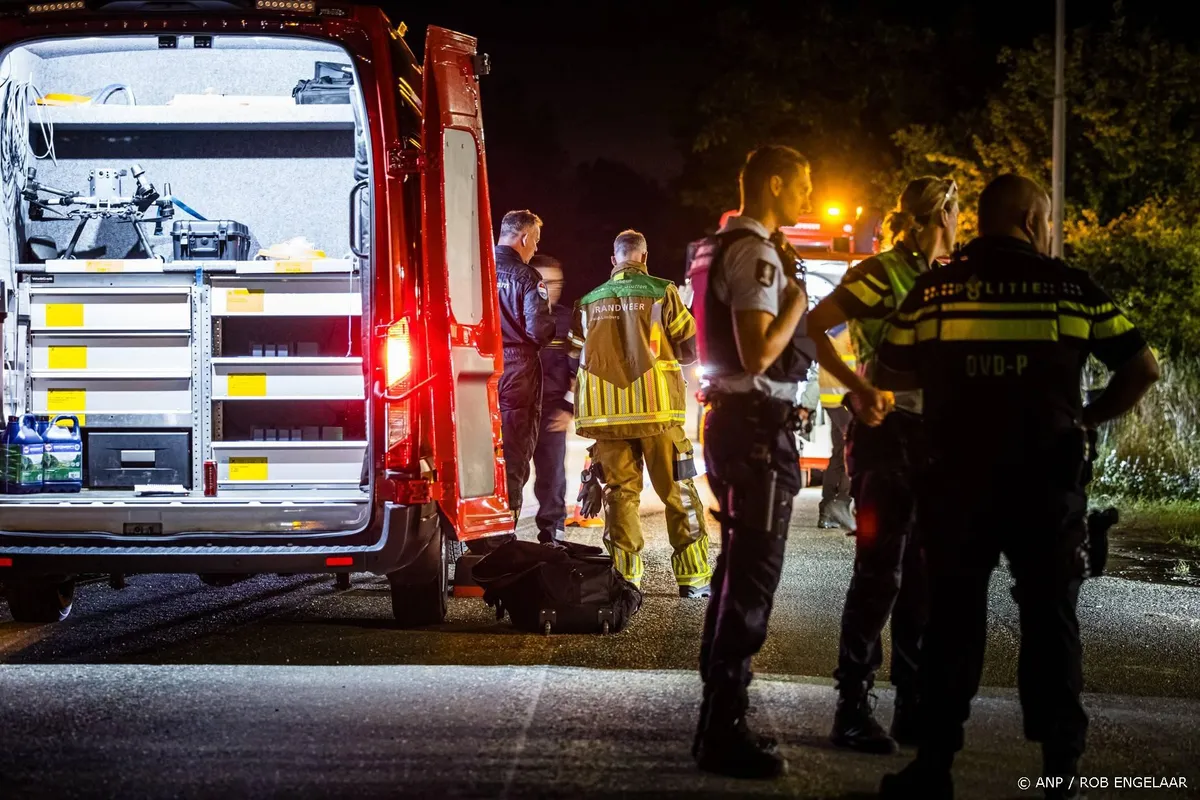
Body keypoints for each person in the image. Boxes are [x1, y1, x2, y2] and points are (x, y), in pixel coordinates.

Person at [876, 175, 1159, 799]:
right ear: (1033, 221)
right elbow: (1143, 368)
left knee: (952, 618)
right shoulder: (1070, 288)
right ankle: (1060, 767)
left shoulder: (938, 288)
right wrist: (1084, 416)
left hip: (956, 481)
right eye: (1049, 220)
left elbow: (884, 367)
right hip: (1045, 482)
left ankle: (935, 766)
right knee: (1051, 617)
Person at [805, 176, 959, 754]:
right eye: (955, 209)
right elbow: (815, 325)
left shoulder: (950, 276)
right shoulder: (879, 272)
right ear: (937, 213)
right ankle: (852, 706)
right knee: (880, 574)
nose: (959, 220)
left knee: (922, 576)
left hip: (936, 442)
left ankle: (913, 706)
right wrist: (855, 388)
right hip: (887, 436)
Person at [690, 144, 813, 779]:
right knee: (752, 580)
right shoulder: (757, 252)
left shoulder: (718, 243)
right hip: (756, 430)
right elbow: (760, 352)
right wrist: (798, 299)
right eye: (803, 185)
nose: (808, 198)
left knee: (736, 571)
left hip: (735, 427)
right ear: (773, 182)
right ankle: (722, 730)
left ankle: (717, 718)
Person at [570, 230, 712, 594]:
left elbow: (575, 352)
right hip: (657, 411)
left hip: (607, 415)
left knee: (620, 495)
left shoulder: (587, 300)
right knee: (678, 492)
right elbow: (688, 344)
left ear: (613, 261)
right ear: (644, 258)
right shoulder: (663, 291)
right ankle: (693, 577)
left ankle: (625, 578)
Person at [495, 210, 556, 523]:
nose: (535, 249)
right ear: (524, 238)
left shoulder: (473, 270)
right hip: (517, 371)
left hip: (474, 369)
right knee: (514, 451)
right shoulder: (527, 276)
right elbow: (538, 331)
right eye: (535, 241)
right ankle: (504, 533)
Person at [529, 254, 578, 544]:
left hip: (552, 410)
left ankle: (552, 535)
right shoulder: (513, 315)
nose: (551, 287)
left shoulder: (567, 320)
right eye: (544, 282)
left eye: (556, 282)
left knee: (552, 478)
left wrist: (568, 407)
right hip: (519, 409)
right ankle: (502, 538)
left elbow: (578, 369)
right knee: (512, 477)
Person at [816, 322, 856, 530]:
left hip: (834, 401)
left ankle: (827, 511)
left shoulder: (833, 330)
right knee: (852, 452)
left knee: (839, 454)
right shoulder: (850, 331)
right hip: (847, 402)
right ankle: (841, 503)